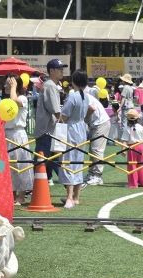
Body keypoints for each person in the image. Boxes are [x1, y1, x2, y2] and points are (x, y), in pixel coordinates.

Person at [58, 70, 90, 209]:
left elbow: (64, 116)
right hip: (82, 129)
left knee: (68, 162)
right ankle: (76, 196)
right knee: (78, 162)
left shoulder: (73, 96)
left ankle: (69, 197)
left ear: (74, 82)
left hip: (71, 130)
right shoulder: (86, 96)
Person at [35, 58, 66, 184]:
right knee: (43, 159)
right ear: (52, 71)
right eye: (59, 69)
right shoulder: (50, 86)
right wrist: (65, 121)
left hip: (48, 129)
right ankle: (68, 184)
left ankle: (68, 184)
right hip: (47, 130)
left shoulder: (51, 85)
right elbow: (55, 109)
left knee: (52, 159)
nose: (62, 71)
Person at [4, 75, 34, 205]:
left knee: (21, 165)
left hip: (18, 134)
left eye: (8, 83)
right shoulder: (5, 100)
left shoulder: (22, 98)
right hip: (6, 134)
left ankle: (21, 196)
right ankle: (11, 195)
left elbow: (14, 101)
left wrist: (14, 87)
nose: (5, 86)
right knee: (9, 167)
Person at [83, 86, 111, 186]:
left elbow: (92, 108)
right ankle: (91, 174)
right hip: (97, 123)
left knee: (96, 150)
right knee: (92, 150)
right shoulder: (83, 94)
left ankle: (98, 176)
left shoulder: (83, 96)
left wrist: (85, 119)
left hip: (100, 123)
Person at [122, 109, 143, 188]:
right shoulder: (140, 127)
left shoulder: (127, 128)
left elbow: (124, 140)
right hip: (140, 146)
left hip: (132, 147)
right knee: (141, 164)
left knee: (132, 165)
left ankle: (133, 183)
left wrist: (123, 150)